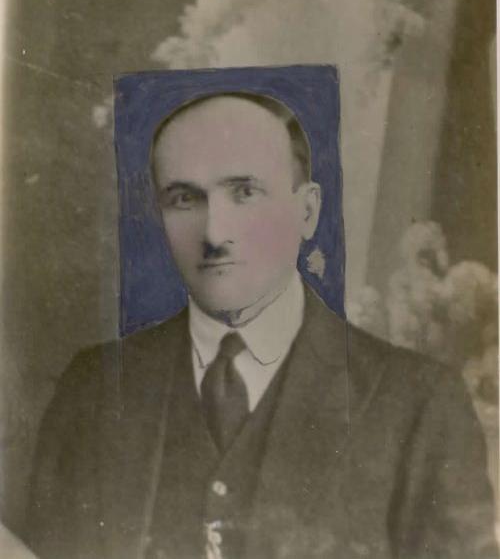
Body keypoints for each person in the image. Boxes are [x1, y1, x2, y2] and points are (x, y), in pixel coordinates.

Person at [25, 92, 498, 559]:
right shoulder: (92, 390)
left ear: (307, 212)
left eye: (244, 193)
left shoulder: (419, 407)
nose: (214, 233)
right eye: (185, 199)